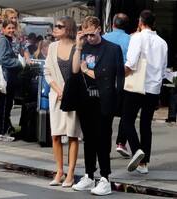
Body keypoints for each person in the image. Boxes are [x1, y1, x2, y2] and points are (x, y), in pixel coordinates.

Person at [62, 16, 124, 195]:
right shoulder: (82, 46)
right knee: (88, 139)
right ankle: (89, 174)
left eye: (91, 34)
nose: (89, 38)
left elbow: (111, 78)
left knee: (102, 139)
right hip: (85, 99)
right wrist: (78, 45)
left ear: (99, 30)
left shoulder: (112, 49)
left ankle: (105, 177)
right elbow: (74, 71)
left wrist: (87, 70)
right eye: (86, 34)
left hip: (103, 100)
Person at [122, 10, 168, 174]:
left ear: (140, 22)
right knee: (145, 125)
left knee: (127, 120)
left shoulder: (137, 37)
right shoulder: (162, 43)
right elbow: (163, 69)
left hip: (136, 86)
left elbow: (132, 62)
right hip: (153, 87)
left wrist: (122, 73)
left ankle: (137, 151)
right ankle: (144, 164)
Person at [44, 16, 81, 188]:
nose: (55, 29)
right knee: (56, 134)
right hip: (57, 96)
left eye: (59, 26)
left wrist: (68, 92)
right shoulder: (52, 47)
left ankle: (71, 173)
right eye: (55, 26)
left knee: (73, 134)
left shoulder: (77, 46)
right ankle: (59, 171)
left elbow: (80, 72)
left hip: (74, 96)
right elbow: (47, 72)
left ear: (68, 29)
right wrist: (59, 91)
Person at [103, 13, 131, 158]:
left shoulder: (104, 38)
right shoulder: (131, 40)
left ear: (113, 24)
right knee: (125, 115)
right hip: (124, 81)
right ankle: (121, 142)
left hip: (105, 82)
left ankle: (104, 146)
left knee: (106, 117)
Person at [0, 19, 23, 136]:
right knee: (3, 105)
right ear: (3, 29)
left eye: (13, 28)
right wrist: (18, 64)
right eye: (9, 28)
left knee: (2, 104)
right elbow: (2, 59)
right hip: (4, 79)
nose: (11, 30)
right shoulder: (3, 41)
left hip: (6, 78)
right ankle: (0, 131)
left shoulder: (6, 40)